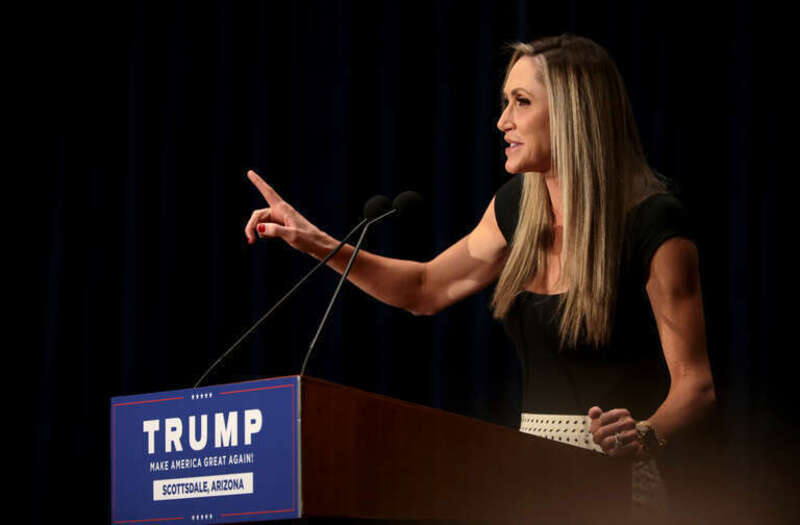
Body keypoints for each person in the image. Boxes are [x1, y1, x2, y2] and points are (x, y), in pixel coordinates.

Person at [243, 34, 716, 520]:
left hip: (617, 481)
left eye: (521, 102)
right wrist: (315, 242)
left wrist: (645, 435)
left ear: (572, 113)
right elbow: (425, 289)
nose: (502, 121)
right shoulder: (516, 209)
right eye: (505, 102)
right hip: (530, 472)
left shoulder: (652, 222)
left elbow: (695, 385)